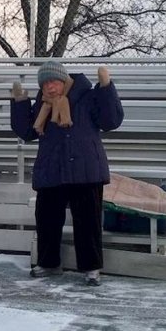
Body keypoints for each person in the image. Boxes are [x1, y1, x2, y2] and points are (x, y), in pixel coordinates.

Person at [10, 61, 123, 286]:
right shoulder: (42, 104)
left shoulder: (88, 96)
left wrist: (106, 87)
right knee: (47, 220)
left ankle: (91, 268)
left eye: (53, 81)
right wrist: (20, 103)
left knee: (88, 222)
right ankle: (49, 263)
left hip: (85, 169)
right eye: (45, 84)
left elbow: (110, 121)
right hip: (52, 169)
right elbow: (27, 132)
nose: (50, 87)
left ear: (64, 81)